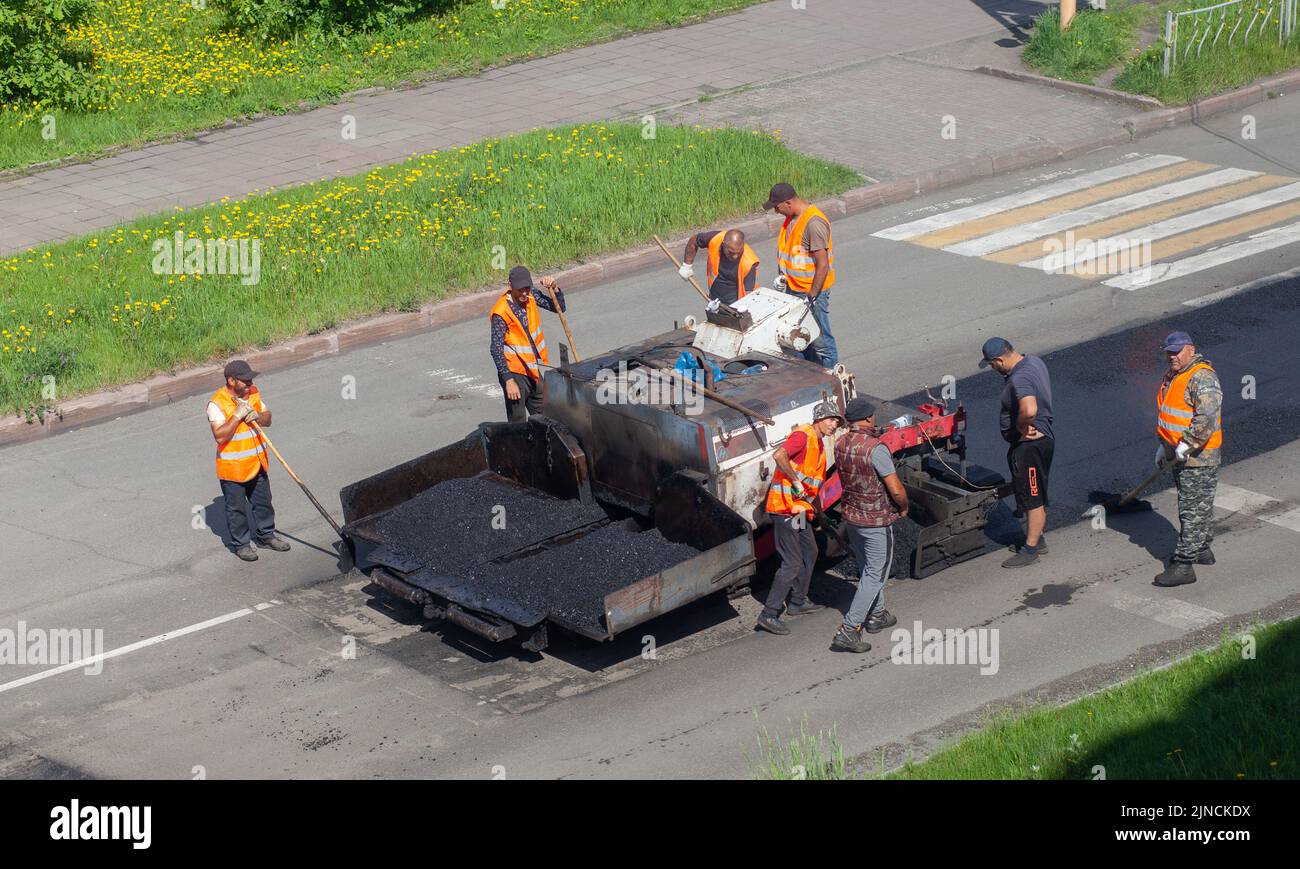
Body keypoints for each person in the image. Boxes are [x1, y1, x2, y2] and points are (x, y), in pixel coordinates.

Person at [756, 401, 844, 635]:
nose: (834, 425)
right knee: (792, 562)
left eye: (837, 422)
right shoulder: (803, 436)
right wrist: (795, 482)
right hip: (784, 509)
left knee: (811, 551)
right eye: (831, 420)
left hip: (799, 510)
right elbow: (779, 455)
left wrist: (819, 513)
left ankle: (797, 601)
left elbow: (812, 484)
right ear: (819, 418)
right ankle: (769, 614)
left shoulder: (819, 445)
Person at [830, 398, 908, 653]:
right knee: (876, 573)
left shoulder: (840, 443)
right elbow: (895, 488)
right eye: (872, 416)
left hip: (852, 517)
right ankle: (849, 630)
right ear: (866, 419)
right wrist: (903, 506)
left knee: (867, 568)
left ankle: (878, 613)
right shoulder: (876, 448)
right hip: (875, 520)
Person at [1153, 331, 1222, 587]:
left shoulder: (1202, 377)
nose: (1172, 356)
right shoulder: (1174, 375)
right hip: (1179, 452)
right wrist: (1164, 446)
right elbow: (1170, 414)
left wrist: (1187, 444)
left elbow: (1206, 420)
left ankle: (1184, 565)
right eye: (1169, 352)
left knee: (1191, 510)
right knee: (1198, 504)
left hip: (1199, 456)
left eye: (1177, 351)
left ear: (1191, 350)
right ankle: (1202, 549)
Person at [980, 337, 1054, 568]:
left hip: (1030, 447)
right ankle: (1036, 536)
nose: (992, 368)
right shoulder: (1034, 361)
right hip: (1038, 443)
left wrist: (1021, 427)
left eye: (992, 364)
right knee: (1033, 491)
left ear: (1000, 360)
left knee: (1033, 497)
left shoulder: (1019, 377)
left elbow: (1030, 408)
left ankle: (1031, 548)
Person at [207, 360, 290, 562]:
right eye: (244, 380)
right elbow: (220, 436)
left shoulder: (252, 392)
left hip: (257, 462)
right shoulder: (216, 403)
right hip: (233, 469)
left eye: (250, 379)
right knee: (237, 510)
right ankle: (242, 545)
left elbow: (268, 417)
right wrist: (237, 416)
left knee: (263, 504)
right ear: (231, 380)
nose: (249, 383)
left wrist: (257, 416)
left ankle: (266, 536)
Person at [764, 182, 836, 368]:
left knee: (821, 341)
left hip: (810, 293)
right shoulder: (791, 218)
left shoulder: (814, 223)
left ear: (788, 203)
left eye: (777, 207)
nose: (776, 211)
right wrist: (783, 279)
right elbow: (791, 254)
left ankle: (833, 379)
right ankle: (812, 375)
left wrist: (812, 295)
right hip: (794, 288)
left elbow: (822, 264)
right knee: (802, 337)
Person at [490, 265, 565, 422]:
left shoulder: (531, 295)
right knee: (518, 423)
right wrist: (508, 380)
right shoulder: (502, 311)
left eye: (526, 287)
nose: (524, 292)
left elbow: (559, 308)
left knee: (547, 415)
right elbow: (496, 349)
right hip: (514, 371)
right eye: (520, 289)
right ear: (510, 286)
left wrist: (554, 288)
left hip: (531, 368)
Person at [679, 228, 760, 305]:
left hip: (735, 302)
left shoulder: (749, 263)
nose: (735, 256)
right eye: (731, 252)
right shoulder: (716, 238)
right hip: (714, 293)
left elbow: (748, 296)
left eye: (738, 252)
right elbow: (694, 240)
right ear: (723, 244)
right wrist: (687, 265)